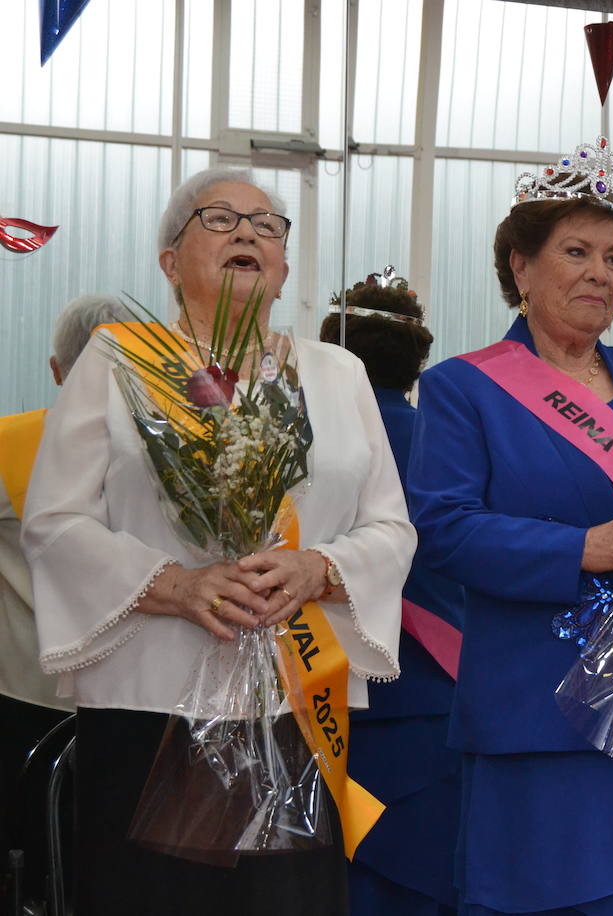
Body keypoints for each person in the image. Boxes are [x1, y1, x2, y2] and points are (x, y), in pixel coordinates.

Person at [21, 167, 413, 916]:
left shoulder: (338, 372)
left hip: (299, 708)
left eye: (268, 225)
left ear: (285, 267)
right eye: (221, 219)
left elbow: (391, 527)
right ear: (170, 261)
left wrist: (318, 567)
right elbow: (54, 520)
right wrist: (174, 584)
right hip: (150, 704)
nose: (248, 233)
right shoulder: (117, 360)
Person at [405, 137, 613, 914]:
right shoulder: (465, 388)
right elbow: (444, 530)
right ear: (521, 268)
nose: (602, 271)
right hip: (540, 708)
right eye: (577, 251)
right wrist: (587, 547)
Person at [318, 273, 459, 915]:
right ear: (416, 362)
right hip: (436, 690)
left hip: (325, 681)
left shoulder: (313, 447)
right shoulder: (448, 442)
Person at [0, 294, 128, 888]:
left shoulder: (11, 443)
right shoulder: (172, 457)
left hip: (26, 695)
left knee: (31, 861)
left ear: (57, 372)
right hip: (137, 699)